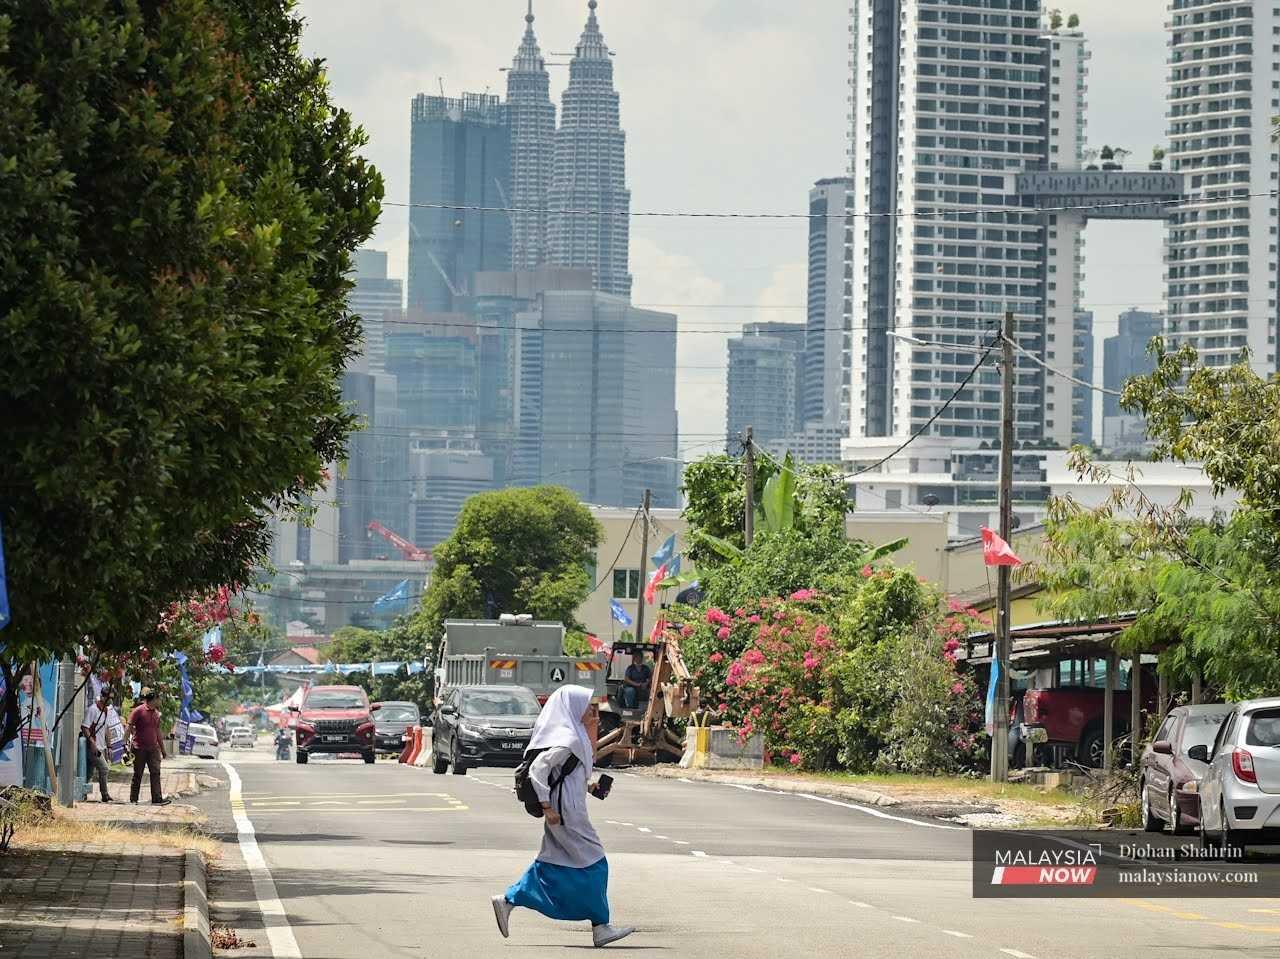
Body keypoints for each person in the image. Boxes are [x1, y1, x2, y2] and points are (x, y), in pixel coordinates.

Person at [491, 685, 634, 948]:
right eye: (588, 707)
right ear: (572, 708)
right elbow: (538, 769)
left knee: (552, 862)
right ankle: (600, 926)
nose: (592, 712)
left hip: (567, 809)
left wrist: (591, 787)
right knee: (596, 862)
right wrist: (547, 806)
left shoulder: (573, 735)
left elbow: (568, 775)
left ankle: (509, 899)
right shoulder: (567, 739)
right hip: (564, 813)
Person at [125, 688, 171, 806]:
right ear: (153, 699)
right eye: (158, 699)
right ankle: (133, 799)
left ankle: (157, 798)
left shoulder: (156, 713)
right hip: (139, 748)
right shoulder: (138, 711)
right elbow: (129, 726)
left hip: (153, 749)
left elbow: (158, 732)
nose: (159, 701)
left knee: (155, 772)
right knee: (138, 774)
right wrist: (124, 744)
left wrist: (163, 750)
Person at [81, 689, 114, 803]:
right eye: (110, 698)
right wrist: (92, 743)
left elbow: (107, 729)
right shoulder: (92, 710)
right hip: (93, 747)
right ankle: (105, 794)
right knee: (104, 768)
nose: (111, 700)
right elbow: (85, 727)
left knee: (88, 772)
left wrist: (109, 747)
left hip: (101, 746)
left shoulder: (106, 710)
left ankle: (81, 793)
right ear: (103, 697)